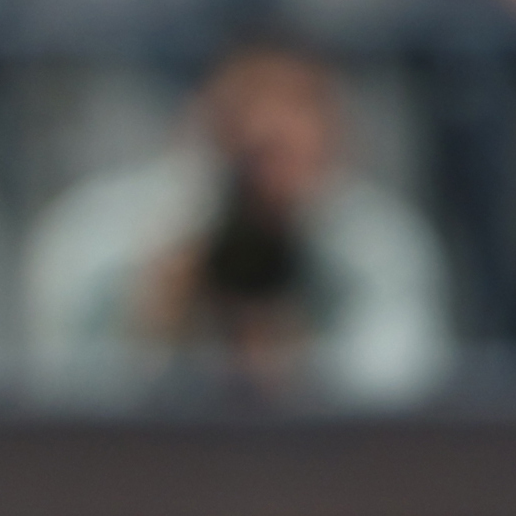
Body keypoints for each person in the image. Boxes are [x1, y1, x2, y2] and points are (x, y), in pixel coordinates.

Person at [23, 47, 450, 405]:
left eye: (297, 105)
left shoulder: (379, 242)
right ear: (195, 117)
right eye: (246, 105)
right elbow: (61, 397)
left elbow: (395, 405)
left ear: (338, 127)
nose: (267, 129)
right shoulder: (99, 229)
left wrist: (289, 360)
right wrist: (150, 331)